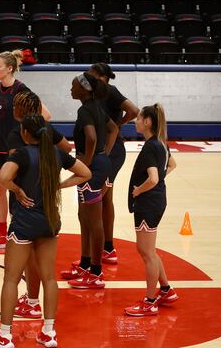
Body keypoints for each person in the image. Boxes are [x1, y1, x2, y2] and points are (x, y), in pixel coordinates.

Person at [0, 115, 91, 348]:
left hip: (24, 223)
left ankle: (4, 335)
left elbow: (3, 177)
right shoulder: (57, 154)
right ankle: (49, 332)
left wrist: (16, 189)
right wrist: (59, 185)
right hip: (50, 221)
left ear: (25, 133)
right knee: (49, 277)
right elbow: (85, 173)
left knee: (11, 279)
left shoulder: (22, 154)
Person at [6, 91, 71, 320]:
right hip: (48, 206)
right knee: (43, 266)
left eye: (15, 104)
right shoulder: (47, 130)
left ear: (22, 110)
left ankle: (31, 302)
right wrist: (54, 176)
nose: (12, 107)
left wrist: (15, 188)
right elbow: (67, 148)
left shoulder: (18, 134)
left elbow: (14, 167)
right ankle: (35, 305)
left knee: (24, 260)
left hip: (25, 201)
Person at [0, 50, 51, 251]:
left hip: (16, 150)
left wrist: (26, 134)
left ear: (9, 68)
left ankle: (18, 232)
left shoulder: (21, 90)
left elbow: (45, 115)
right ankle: (1, 234)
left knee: (16, 192)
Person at [61, 72, 119, 289]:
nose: (71, 88)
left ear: (84, 89)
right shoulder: (96, 106)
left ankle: (96, 273)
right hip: (97, 165)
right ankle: (85, 263)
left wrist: (87, 161)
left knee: (94, 222)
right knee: (84, 217)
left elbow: (92, 137)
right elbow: (113, 129)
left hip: (92, 169)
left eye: (73, 85)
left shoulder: (85, 109)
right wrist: (104, 153)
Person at [124, 104, 179, 317]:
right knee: (150, 251)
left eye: (138, 118)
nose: (135, 120)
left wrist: (139, 190)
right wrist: (158, 181)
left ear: (147, 121)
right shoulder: (161, 144)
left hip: (149, 203)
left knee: (146, 253)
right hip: (157, 201)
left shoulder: (150, 146)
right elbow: (172, 165)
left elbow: (154, 178)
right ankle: (166, 290)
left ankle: (149, 301)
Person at [88, 63, 139, 264]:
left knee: (97, 200)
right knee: (105, 200)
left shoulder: (110, 91)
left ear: (101, 77)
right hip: (104, 151)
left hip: (112, 151)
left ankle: (99, 253)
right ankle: (108, 248)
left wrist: (118, 124)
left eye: (91, 75)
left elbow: (134, 110)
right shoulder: (95, 94)